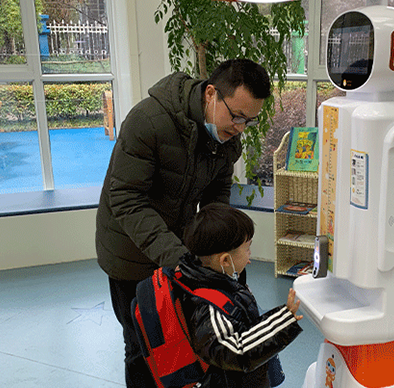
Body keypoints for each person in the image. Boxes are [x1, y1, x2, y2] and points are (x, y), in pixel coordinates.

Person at [95, 59, 271, 387]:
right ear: (211, 94)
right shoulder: (148, 121)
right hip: (129, 252)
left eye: (250, 121)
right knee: (141, 346)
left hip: (180, 250)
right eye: (236, 116)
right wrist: (181, 259)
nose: (240, 128)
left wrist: (221, 249)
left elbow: (217, 194)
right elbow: (126, 199)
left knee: (180, 341)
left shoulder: (227, 135)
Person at [178, 202, 303, 387]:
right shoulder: (208, 307)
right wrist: (282, 321)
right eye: (247, 249)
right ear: (225, 260)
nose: (250, 255)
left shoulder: (221, 281)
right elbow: (237, 351)